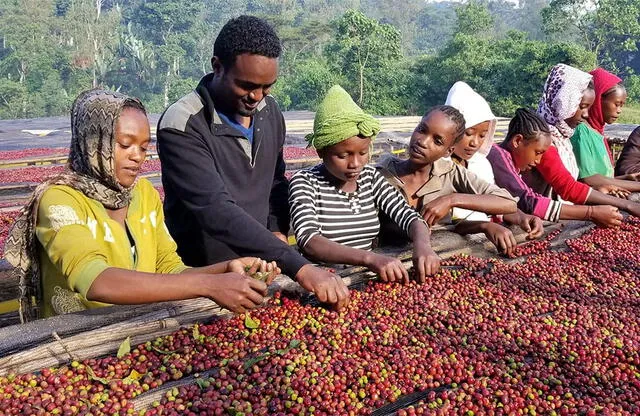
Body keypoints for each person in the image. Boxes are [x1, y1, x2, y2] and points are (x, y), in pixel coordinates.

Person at [4, 89, 279, 322]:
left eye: (144, 147)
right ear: (92, 141)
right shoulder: (60, 199)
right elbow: (95, 280)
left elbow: (169, 268)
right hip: (75, 340)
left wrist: (226, 269)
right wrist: (210, 285)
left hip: (139, 329)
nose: (137, 157)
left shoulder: (143, 194)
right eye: (125, 144)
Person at [157, 16, 349, 309]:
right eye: (246, 85)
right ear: (217, 66)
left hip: (261, 270)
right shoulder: (182, 124)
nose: (256, 97)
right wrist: (299, 266)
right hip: (204, 278)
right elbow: (215, 210)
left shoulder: (269, 112)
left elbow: (275, 180)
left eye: (266, 87)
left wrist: (276, 230)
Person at [289, 86, 440, 282]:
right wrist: (369, 258)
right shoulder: (305, 182)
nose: (355, 164)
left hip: (363, 279)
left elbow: (408, 215)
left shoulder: (370, 177)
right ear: (321, 152)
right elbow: (309, 240)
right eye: (343, 155)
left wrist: (423, 245)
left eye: (362, 153)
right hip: (322, 282)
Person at [376, 103, 520, 256]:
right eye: (421, 130)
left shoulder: (449, 173)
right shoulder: (381, 175)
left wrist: (452, 200)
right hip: (389, 263)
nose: (423, 142)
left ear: (448, 151)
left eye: (437, 141)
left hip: (440, 257)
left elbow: (508, 202)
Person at [487, 108, 633, 227]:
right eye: (537, 153)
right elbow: (527, 200)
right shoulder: (499, 157)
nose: (538, 160)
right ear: (517, 141)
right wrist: (590, 212)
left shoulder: (512, 159)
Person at [445, 81, 544, 251]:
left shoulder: (481, 165)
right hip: (448, 247)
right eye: (468, 133)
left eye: (482, 135)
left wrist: (521, 217)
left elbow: (497, 204)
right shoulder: (439, 166)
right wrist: (484, 226)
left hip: (482, 245)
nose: (475, 142)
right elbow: (450, 222)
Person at [530, 64, 640, 200]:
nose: (586, 114)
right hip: (553, 213)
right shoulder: (547, 140)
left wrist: (625, 179)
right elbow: (578, 183)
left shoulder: (565, 135)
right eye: (582, 106)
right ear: (563, 101)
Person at [571, 68, 640, 184]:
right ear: (597, 100)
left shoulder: (597, 133)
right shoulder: (581, 132)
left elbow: (604, 179)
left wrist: (627, 179)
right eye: (616, 104)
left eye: (621, 106)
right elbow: (588, 180)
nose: (619, 111)